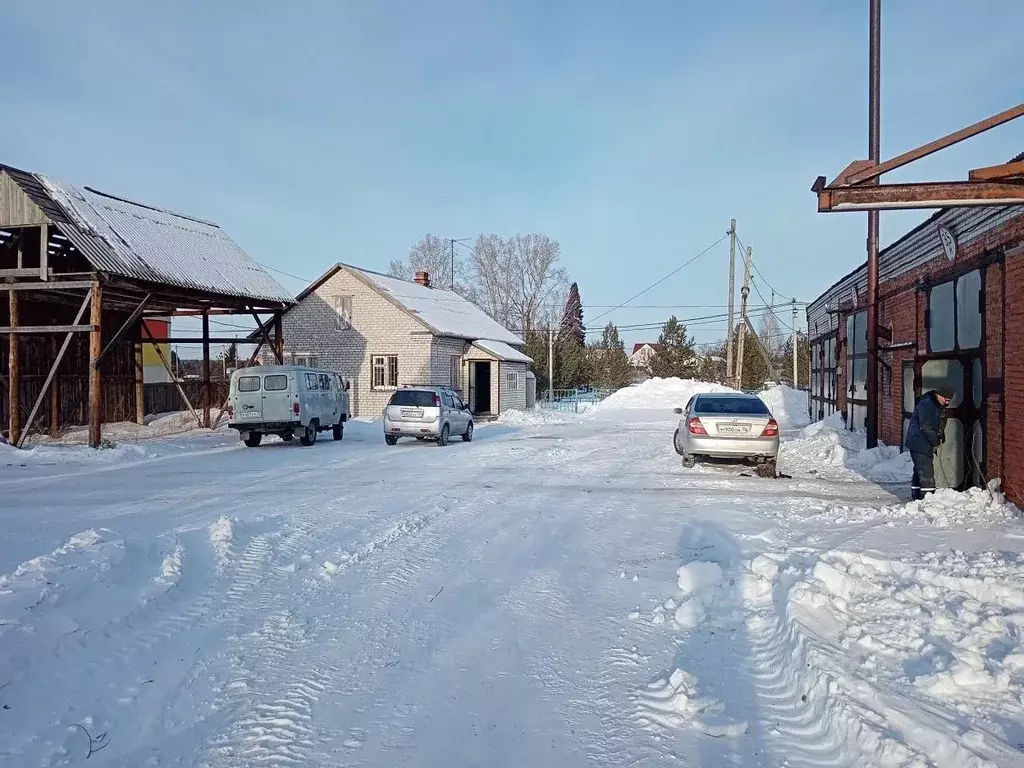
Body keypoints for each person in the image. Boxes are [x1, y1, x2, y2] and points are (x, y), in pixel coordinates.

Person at [905, 387, 953, 500]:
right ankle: (928, 500)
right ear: (938, 395)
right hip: (920, 442)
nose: (947, 402)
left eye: (949, 400)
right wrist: (935, 440)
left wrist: (940, 437)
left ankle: (917, 497)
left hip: (920, 442)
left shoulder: (935, 404)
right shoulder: (927, 404)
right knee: (926, 473)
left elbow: (937, 423)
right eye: (946, 399)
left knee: (919, 470)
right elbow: (925, 426)